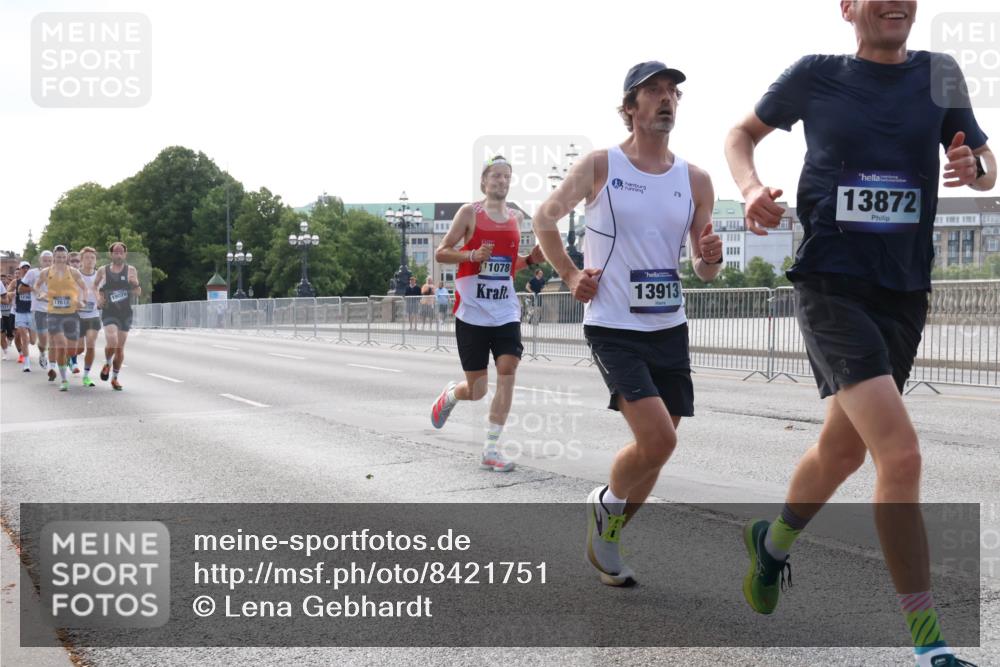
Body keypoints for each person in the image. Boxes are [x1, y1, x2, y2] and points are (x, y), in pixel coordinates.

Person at [724, 3, 994, 666]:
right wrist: (751, 185)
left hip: (903, 292)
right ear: (848, 6)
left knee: (841, 451)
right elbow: (739, 134)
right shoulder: (817, 74)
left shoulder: (940, 74)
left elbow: (983, 164)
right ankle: (928, 641)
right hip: (830, 282)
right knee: (899, 455)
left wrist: (976, 170)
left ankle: (772, 542)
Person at [533, 62, 722, 585]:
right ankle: (607, 503)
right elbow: (545, 218)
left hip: (668, 325)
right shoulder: (601, 165)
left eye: (672, 93)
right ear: (630, 108)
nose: (666, 100)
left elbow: (704, 271)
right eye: (653, 92)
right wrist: (570, 275)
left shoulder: (696, 179)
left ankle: (609, 530)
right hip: (613, 323)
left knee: (654, 454)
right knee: (659, 441)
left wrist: (710, 256)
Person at [431, 155, 544, 472]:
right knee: (477, 390)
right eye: (495, 176)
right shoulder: (469, 213)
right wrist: (470, 254)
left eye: (507, 176)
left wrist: (531, 259)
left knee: (508, 369)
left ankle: (491, 449)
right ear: (484, 182)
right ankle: (452, 395)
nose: (502, 181)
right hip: (472, 312)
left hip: (505, 310)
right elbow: (442, 252)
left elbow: (510, 265)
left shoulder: (516, 218)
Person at [32, 245, 87, 391]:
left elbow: (84, 288)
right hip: (54, 314)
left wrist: (83, 301)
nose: (61, 260)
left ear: (67, 258)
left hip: (71, 313)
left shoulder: (73, 272)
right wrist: (40, 294)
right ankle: (64, 379)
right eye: (58, 257)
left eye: (63, 257)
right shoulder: (46, 272)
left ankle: (66, 361)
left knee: (72, 349)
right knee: (60, 345)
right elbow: (36, 286)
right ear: (54, 257)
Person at [95, 241, 142, 391]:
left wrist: (134, 284)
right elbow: (94, 286)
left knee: (120, 349)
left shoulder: (131, 270)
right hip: (109, 311)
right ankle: (108, 363)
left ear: (125, 254)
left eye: (121, 252)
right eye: (115, 252)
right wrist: (98, 299)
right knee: (112, 341)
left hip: (125, 313)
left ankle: (114, 378)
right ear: (111, 254)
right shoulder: (103, 270)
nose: (118, 254)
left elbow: (138, 293)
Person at [21, 250, 53, 378]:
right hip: (38, 309)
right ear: (40, 261)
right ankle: (42, 353)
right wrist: (34, 288)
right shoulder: (32, 273)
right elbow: (20, 289)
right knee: (43, 340)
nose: (47, 262)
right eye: (45, 260)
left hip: (55, 309)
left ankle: (53, 365)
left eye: (50, 260)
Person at [74, 247, 102, 387]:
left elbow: (103, 295)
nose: (90, 260)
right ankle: (69, 358)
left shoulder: (99, 277)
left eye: (92, 258)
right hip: (77, 316)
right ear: (81, 260)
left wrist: (102, 302)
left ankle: (86, 376)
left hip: (93, 315)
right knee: (79, 349)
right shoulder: (75, 275)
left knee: (90, 346)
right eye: (87, 257)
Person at [11, 262, 35, 371]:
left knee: (33, 341)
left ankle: (42, 354)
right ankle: (27, 364)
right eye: (23, 268)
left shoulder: (34, 282)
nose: (25, 270)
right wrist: (12, 294)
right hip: (20, 312)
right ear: (19, 270)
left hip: (32, 312)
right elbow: (6, 293)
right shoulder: (15, 282)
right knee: (24, 338)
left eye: (27, 268)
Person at [0, 273, 12, 360]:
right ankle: (5, 351)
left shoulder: (1, 285)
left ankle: (6, 350)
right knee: (2, 334)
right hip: (2, 314)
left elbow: (6, 300)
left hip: (7, 313)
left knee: (6, 334)